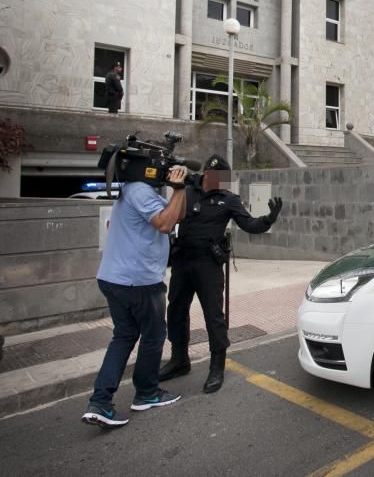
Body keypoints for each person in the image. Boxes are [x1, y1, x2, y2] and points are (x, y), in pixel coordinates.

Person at [158, 155, 283, 394]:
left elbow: (249, 225)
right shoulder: (186, 187)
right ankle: (179, 360)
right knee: (175, 311)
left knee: (214, 317)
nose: (222, 182)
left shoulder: (228, 199)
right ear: (207, 173)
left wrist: (268, 219)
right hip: (183, 261)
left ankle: (217, 367)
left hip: (208, 264)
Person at [81, 166, 188, 429]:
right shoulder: (141, 191)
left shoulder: (133, 190)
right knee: (153, 336)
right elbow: (165, 224)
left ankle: (100, 401)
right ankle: (147, 393)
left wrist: (180, 190)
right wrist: (179, 189)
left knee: (124, 336)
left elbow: (177, 216)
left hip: (114, 278)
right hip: (138, 281)